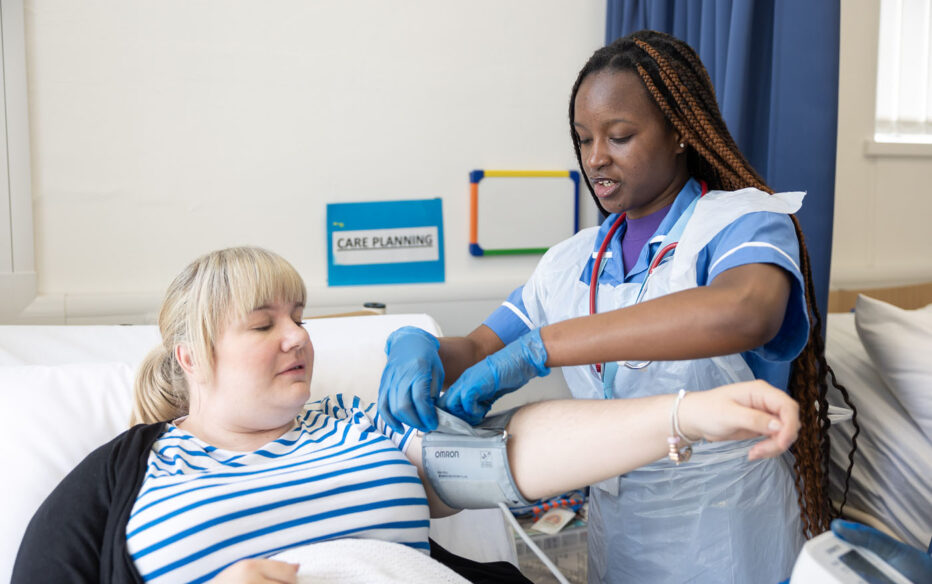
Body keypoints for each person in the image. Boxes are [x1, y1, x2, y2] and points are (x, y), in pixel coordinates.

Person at [378, 30, 860, 583]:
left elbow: (745, 311)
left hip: (726, 528)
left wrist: (546, 347)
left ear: (680, 131)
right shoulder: (569, 261)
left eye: (620, 135)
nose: (596, 157)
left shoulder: (739, 222)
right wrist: (417, 346)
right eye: (584, 139)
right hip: (621, 529)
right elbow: (478, 348)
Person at [12, 246, 801, 584]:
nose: (298, 336)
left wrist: (688, 413)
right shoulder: (126, 475)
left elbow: (509, 455)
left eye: (300, 314)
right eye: (263, 324)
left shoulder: (357, 421)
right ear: (190, 357)